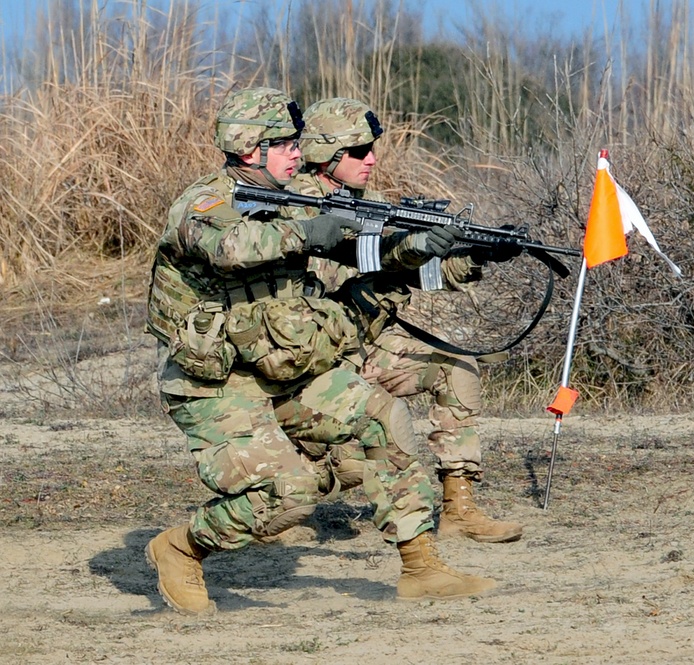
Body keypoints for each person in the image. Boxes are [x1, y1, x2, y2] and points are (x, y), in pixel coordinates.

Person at [143, 86, 495, 615]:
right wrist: (311, 231)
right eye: (283, 143)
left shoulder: (296, 198)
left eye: (296, 143)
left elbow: (363, 251)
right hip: (215, 382)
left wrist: (422, 248)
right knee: (290, 497)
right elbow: (230, 247)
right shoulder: (203, 202)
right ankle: (182, 547)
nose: (295, 152)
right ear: (248, 150)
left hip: (289, 367)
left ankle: (421, 565)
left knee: (383, 419)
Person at [292, 97, 524, 544]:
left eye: (372, 149)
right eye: (360, 151)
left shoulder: (376, 204)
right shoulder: (290, 205)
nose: (372, 159)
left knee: (456, 369)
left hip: (366, 348)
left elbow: (411, 268)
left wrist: (471, 256)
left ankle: (459, 508)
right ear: (328, 153)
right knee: (339, 468)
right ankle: (283, 504)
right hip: (307, 363)